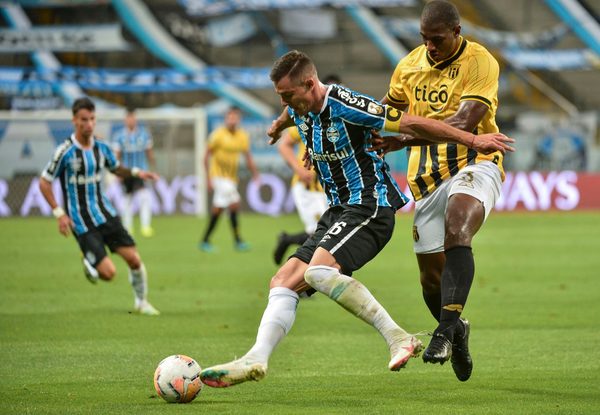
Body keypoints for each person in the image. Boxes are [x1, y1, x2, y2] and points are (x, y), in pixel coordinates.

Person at [199, 50, 514, 388]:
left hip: (370, 207)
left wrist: (472, 139)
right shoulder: (300, 106)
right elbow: (292, 113)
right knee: (282, 282)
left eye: (288, 95)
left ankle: (398, 338)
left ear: (310, 84)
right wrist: (280, 124)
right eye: (280, 97)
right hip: (338, 209)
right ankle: (256, 358)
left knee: (318, 272)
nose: (285, 102)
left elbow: (412, 123)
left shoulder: (348, 105)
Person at [370, 0, 508, 381]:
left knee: (457, 227)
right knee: (431, 280)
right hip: (427, 179)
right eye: (425, 39)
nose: (430, 46)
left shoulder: (480, 62)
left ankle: (444, 331)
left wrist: (402, 138)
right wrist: (351, 135)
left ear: (457, 33)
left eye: (438, 39)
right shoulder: (409, 65)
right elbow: (388, 110)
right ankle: (458, 329)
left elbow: (466, 120)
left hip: (476, 160)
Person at [39, 97, 160, 316]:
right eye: (84, 120)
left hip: (105, 214)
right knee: (108, 274)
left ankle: (141, 302)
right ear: (74, 120)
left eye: (92, 119)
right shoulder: (64, 151)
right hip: (81, 222)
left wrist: (136, 173)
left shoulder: (102, 147)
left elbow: (115, 168)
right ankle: (88, 258)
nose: (89, 124)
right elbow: (44, 182)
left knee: (134, 259)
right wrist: (59, 213)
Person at [272, 74, 341, 265]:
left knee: (325, 233)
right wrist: (299, 170)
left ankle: (288, 241)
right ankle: (299, 281)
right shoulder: (309, 117)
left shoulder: (341, 118)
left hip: (329, 188)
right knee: (320, 233)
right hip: (308, 186)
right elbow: (284, 145)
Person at [199, 107, 259, 252]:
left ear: (238, 120)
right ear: (226, 119)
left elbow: (248, 156)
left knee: (218, 209)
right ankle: (238, 241)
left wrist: (255, 173)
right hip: (218, 176)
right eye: (230, 117)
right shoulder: (218, 135)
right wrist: (207, 179)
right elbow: (206, 157)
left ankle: (205, 240)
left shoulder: (242, 136)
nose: (232, 120)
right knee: (234, 203)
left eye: (235, 118)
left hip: (231, 178)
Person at [111, 107, 156, 237]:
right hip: (126, 172)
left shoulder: (144, 134)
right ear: (125, 120)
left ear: (135, 119)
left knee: (145, 198)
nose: (131, 121)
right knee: (126, 200)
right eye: (128, 118)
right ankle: (127, 227)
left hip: (141, 171)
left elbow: (149, 152)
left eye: (133, 118)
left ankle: (146, 227)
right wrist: (118, 172)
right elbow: (117, 155)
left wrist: (152, 168)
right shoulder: (119, 136)